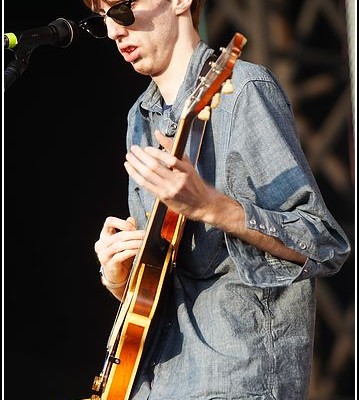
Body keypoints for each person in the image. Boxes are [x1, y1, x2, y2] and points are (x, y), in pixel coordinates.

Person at [79, 1, 351, 399]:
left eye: (122, 8)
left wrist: (210, 206)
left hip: (236, 380)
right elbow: (161, 289)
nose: (113, 31)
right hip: (154, 382)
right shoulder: (139, 116)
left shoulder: (244, 90)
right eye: (101, 19)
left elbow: (325, 242)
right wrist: (120, 277)